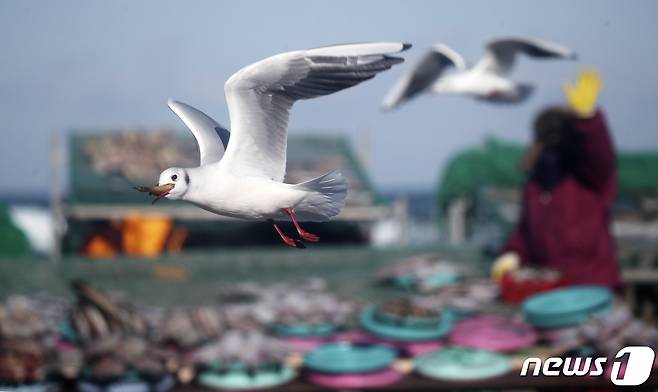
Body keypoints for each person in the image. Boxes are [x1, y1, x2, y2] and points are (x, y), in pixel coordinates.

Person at [493, 69, 621, 288]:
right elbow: (525, 234)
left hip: (594, 288)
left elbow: (599, 153)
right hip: (551, 290)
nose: (553, 141)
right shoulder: (535, 185)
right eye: (547, 134)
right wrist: (512, 255)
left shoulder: (590, 177)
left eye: (559, 134)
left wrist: (588, 120)